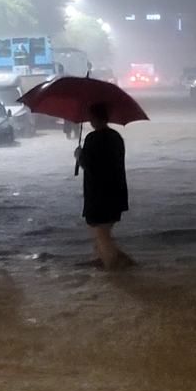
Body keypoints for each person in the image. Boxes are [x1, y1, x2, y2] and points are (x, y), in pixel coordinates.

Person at [74, 103, 135, 270]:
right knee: (103, 235)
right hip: (117, 193)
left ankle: (114, 268)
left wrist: (79, 156)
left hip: (98, 195)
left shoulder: (93, 138)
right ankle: (123, 265)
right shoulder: (116, 137)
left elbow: (89, 164)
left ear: (94, 118)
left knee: (100, 234)